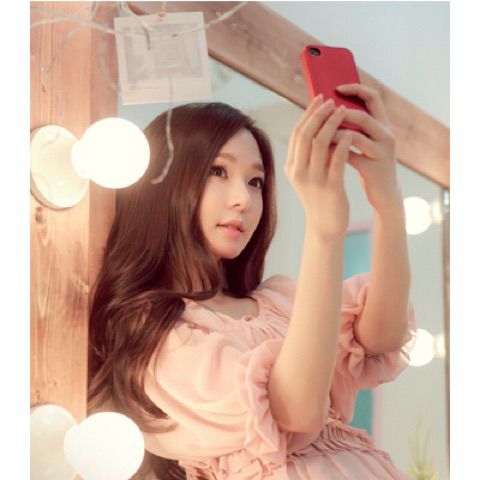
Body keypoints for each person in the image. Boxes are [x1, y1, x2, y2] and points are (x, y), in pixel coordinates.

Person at [89, 84, 416, 480]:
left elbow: (381, 337)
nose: (243, 200)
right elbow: (297, 413)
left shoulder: (279, 299)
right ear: (165, 183)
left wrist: (388, 202)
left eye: (255, 182)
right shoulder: (153, 329)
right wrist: (324, 230)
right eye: (218, 171)